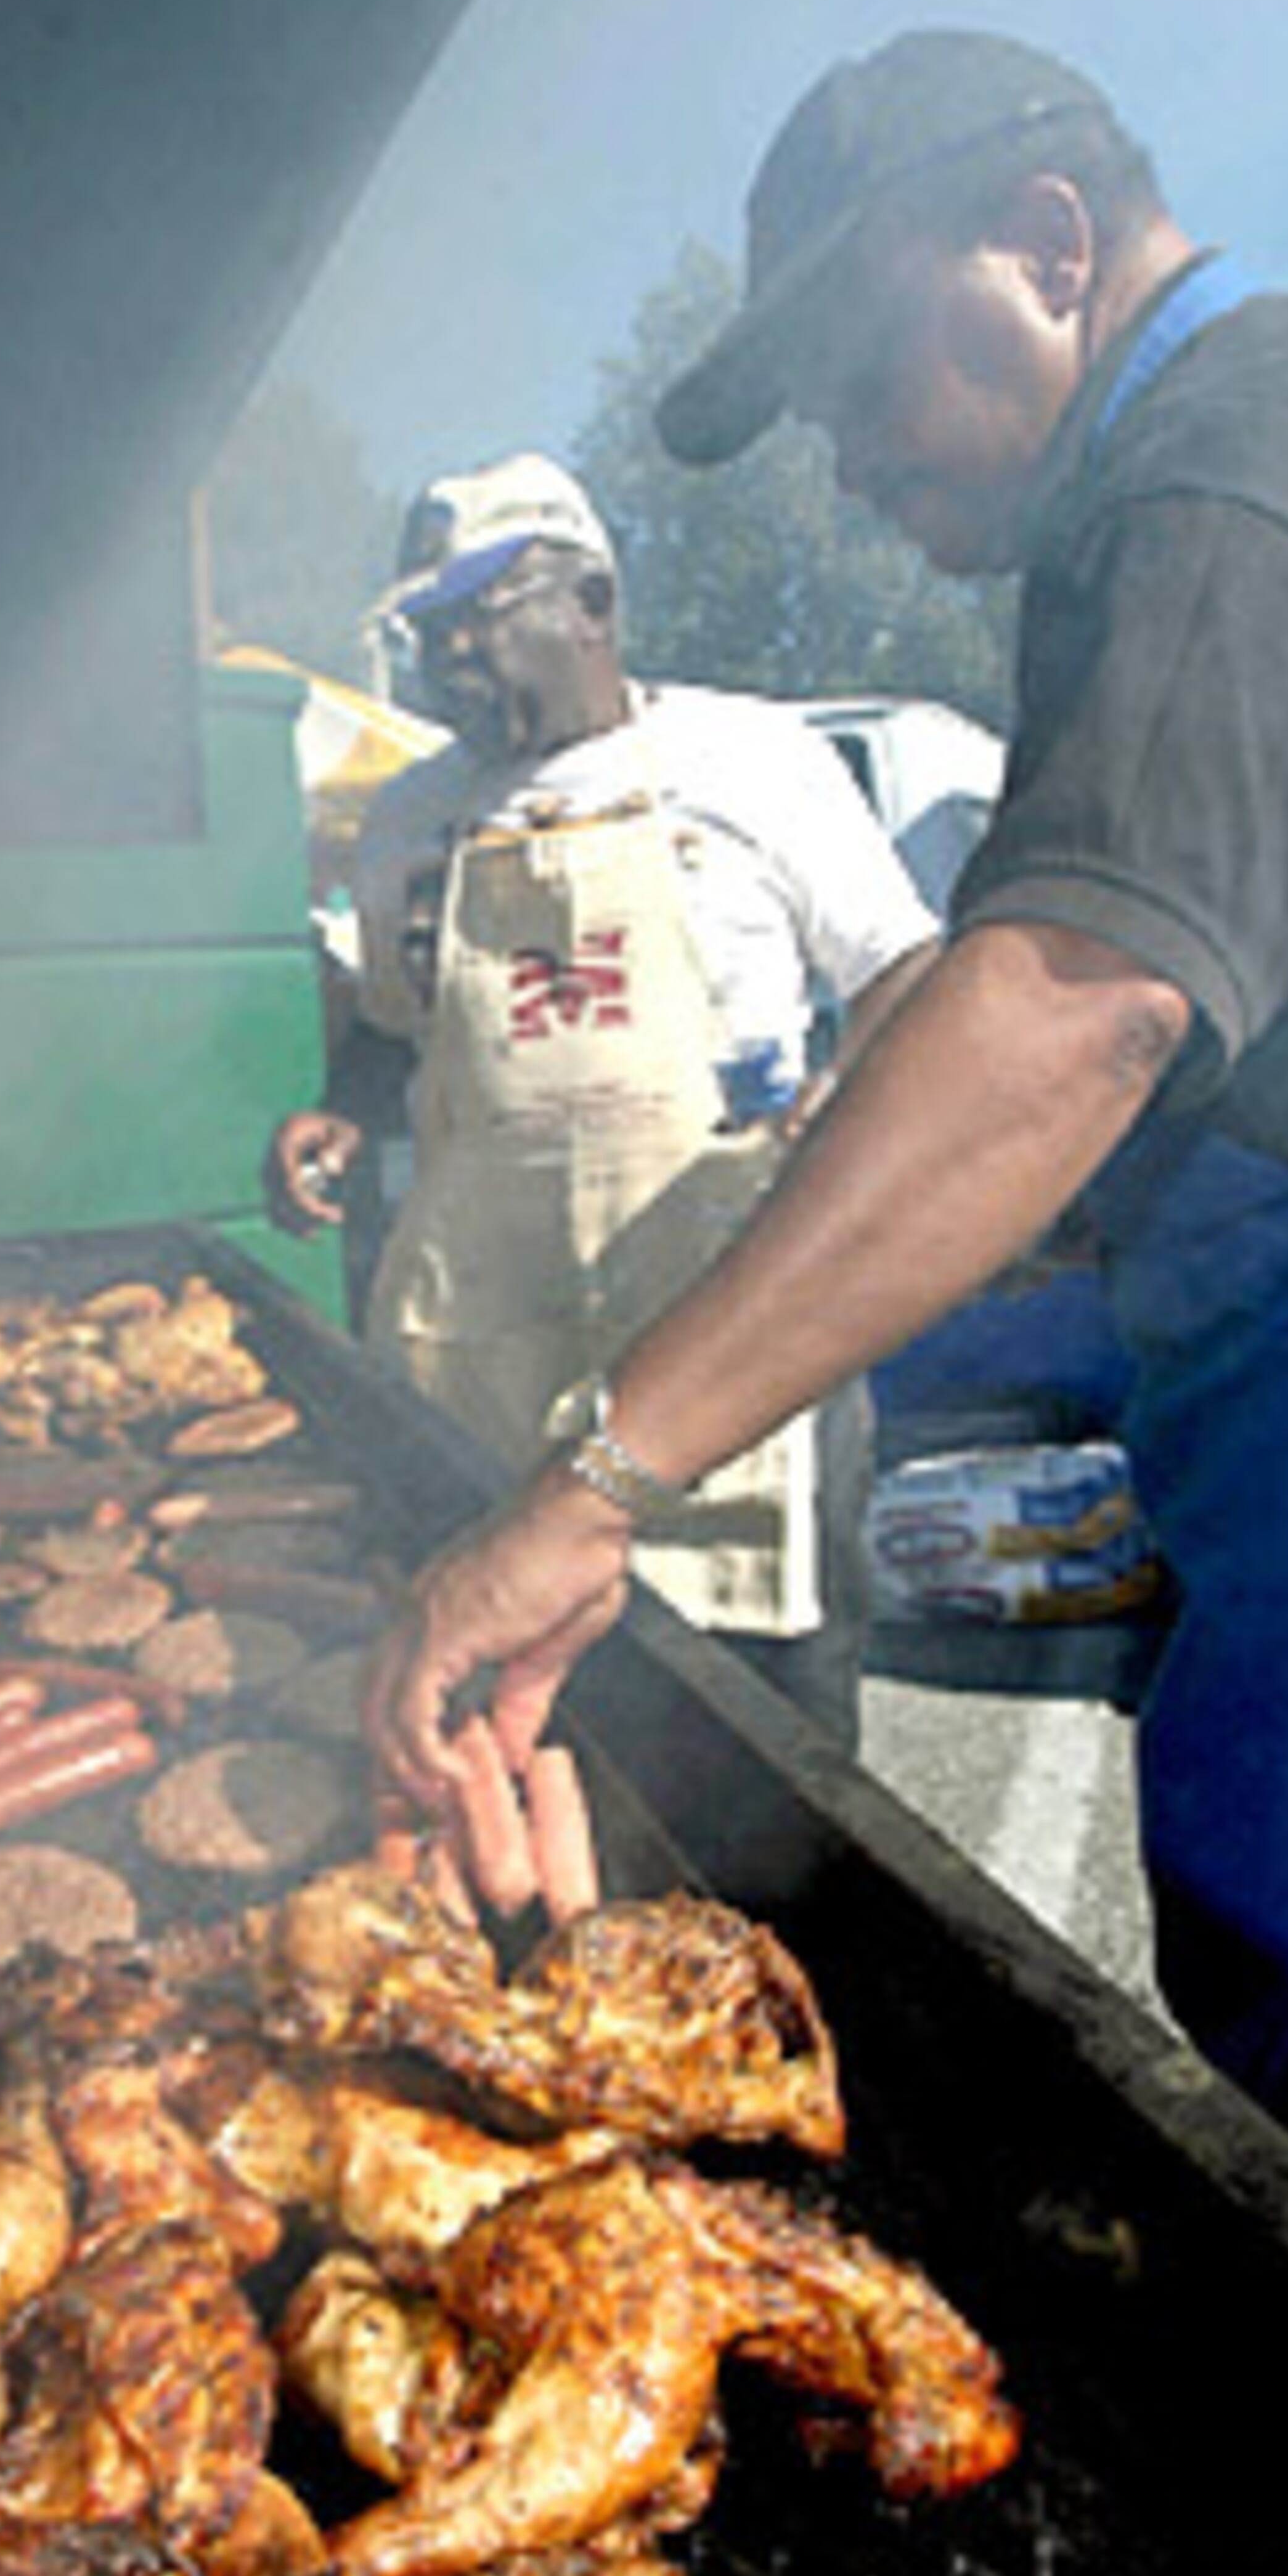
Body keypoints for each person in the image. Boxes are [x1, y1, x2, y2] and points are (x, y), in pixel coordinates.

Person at [362, 31, 1288, 2397]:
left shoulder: (1246, 476)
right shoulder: (1174, 494)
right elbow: (1061, 991)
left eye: (874, 379)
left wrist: (603, 1483)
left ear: (1052, 245)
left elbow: (1077, 1011)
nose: (860, 470)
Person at [266, 450, 941, 1746]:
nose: (450, 650)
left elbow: (909, 971)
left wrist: (847, 1093)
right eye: (428, 623)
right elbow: (396, 1040)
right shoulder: (408, 817)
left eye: (480, 609)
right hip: (491, 1349)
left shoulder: (752, 759)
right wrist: (343, 1111)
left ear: (594, 601)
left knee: (764, 1731)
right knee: (514, 1703)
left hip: (724, 1328)